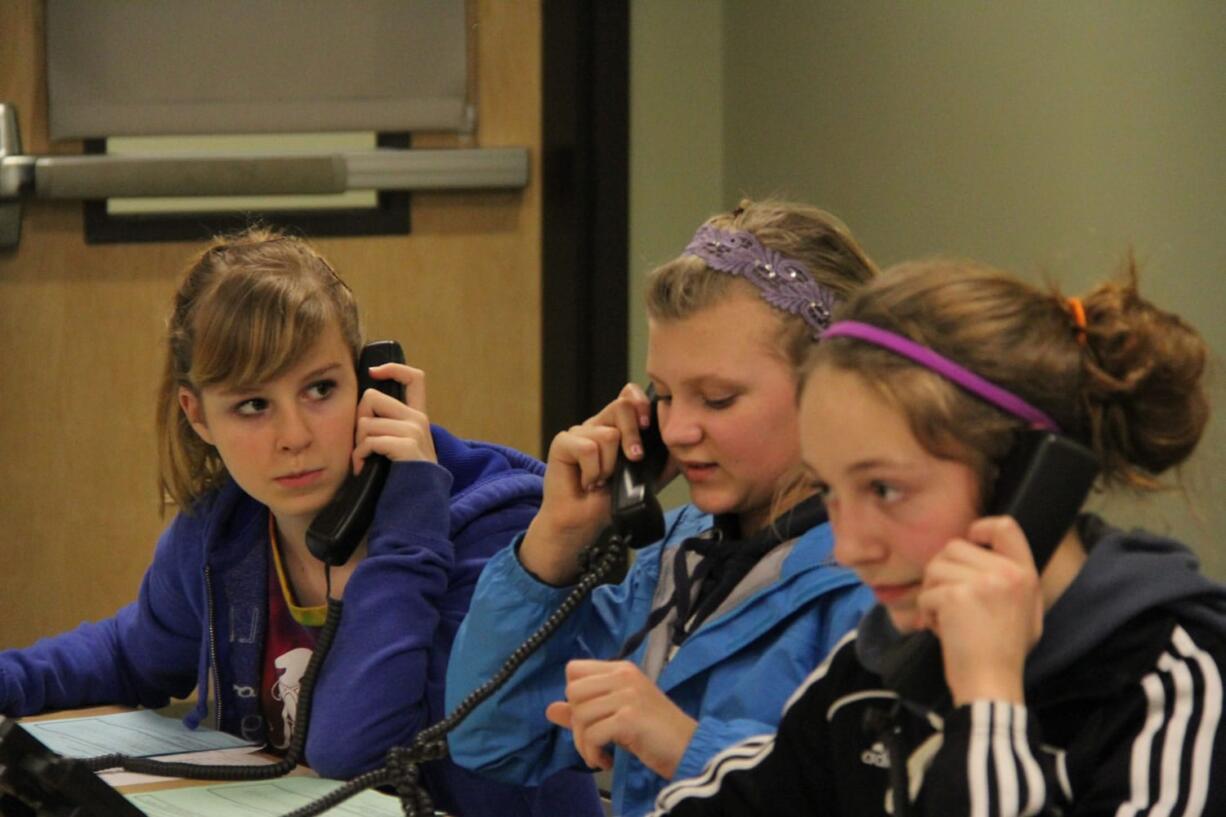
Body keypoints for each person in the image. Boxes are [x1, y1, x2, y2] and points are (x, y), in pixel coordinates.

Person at [0, 228, 600, 817]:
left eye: (320, 388)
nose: (295, 437)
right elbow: (130, 655)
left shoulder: (495, 535)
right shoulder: (226, 531)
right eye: (253, 405)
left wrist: (409, 524)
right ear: (198, 414)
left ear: (370, 382)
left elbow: (353, 750)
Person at [650, 257, 1226, 816]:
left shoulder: (1172, 686)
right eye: (829, 489)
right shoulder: (871, 668)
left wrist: (988, 702)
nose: (850, 548)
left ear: (1025, 478)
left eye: (885, 489)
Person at [446, 200, 879, 816]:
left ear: (839, 390)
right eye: (667, 395)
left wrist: (684, 747)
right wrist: (555, 544)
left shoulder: (882, 584)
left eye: (718, 399)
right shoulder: (680, 557)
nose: (676, 431)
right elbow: (493, 738)